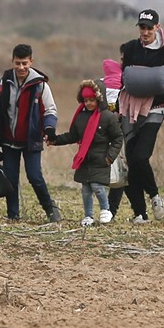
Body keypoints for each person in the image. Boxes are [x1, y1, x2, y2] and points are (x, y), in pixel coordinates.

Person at [119, 9, 164, 224]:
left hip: (156, 108)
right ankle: (140, 213)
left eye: (149, 28)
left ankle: (155, 196)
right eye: (142, 27)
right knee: (131, 161)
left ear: (157, 27)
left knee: (140, 157)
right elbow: (123, 78)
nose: (145, 32)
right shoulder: (130, 48)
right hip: (130, 108)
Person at [0, 43, 61, 222]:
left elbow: (50, 111)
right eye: (18, 63)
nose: (21, 67)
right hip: (8, 141)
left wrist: (49, 129)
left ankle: (50, 209)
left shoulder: (40, 85)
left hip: (31, 140)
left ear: (31, 62)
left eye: (24, 63)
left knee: (35, 177)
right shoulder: (2, 83)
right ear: (12, 61)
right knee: (10, 180)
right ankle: (13, 215)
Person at [47, 80, 123, 225]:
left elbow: (118, 138)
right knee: (86, 190)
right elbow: (73, 136)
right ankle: (88, 216)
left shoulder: (108, 117)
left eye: (91, 100)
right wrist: (55, 140)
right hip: (85, 159)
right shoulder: (81, 117)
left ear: (99, 99)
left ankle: (105, 210)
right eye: (86, 100)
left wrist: (109, 157)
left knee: (98, 187)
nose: (88, 103)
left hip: (101, 159)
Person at [103, 44, 129, 220]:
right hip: (114, 133)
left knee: (122, 172)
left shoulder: (137, 81)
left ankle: (111, 211)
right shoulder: (111, 81)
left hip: (128, 130)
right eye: (122, 59)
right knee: (118, 171)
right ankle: (109, 211)